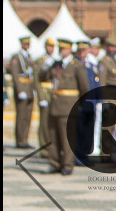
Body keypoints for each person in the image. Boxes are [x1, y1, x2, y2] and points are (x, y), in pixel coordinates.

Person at [45, 38, 89, 174]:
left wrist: (78, 104)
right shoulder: (56, 64)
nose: (61, 51)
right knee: (53, 136)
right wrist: (45, 67)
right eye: (60, 49)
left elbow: (84, 88)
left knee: (67, 138)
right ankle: (54, 163)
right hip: (54, 105)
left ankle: (67, 165)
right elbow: (43, 77)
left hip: (69, 106)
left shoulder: (76, 65)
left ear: (70, 49)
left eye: (63, 49)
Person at [8, 35, 35, 148]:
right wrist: (19, 90)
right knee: (21, 115)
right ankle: (20, 141)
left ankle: (25, 139)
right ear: (21, 44)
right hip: (22, 89)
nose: (27, 45)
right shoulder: (17, 56)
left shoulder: (29, 56)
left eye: (28, 44)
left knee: (27, 116)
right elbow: (15, 74)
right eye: (25, 44)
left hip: (29, 88)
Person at [36, 37, 59, 155]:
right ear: (45, 47)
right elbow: (37, 80)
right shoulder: (40, 61)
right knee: (44, 122)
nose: (50, 49)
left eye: (52, 47)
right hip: (44, 93)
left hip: (53, 94)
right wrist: (41, 97)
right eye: (49, 46)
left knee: (52, 122)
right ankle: (44, 148)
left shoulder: (56, 61)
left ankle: (52, 147)